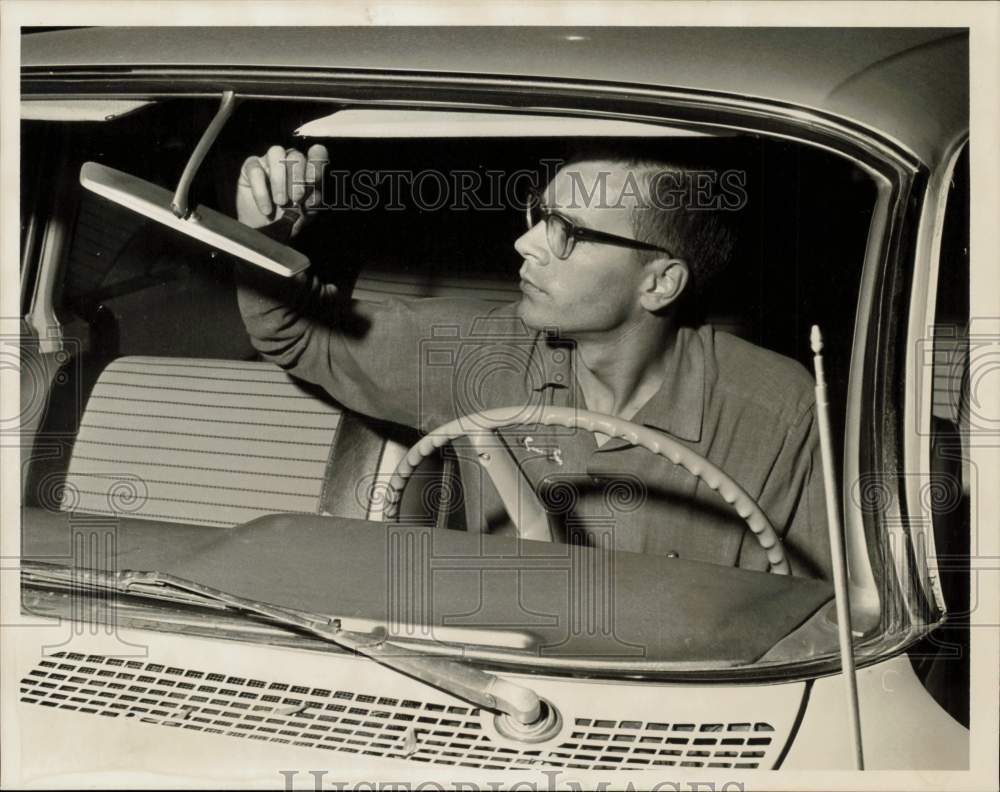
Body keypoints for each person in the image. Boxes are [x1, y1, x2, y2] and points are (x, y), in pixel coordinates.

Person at [234, 143, 832, 579]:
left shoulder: (779, 410)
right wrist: (266, 237)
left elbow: (806, 613)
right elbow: (297, 332)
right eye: (537, 216)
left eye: (566, 232)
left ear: (660, 283)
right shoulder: (483, 355)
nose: (525, 243)